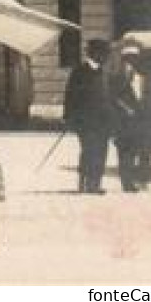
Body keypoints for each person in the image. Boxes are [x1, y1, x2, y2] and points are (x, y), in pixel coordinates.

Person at [63, 39, 113, 194]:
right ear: (95, 53)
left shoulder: (103, 72)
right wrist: (69, 117)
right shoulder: (79, 72)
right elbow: (70, 96)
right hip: (85, 121)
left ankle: (95, 184)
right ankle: (84, 184)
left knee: (102, 151)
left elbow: (106, 96)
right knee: (89, 150)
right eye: (104, 54)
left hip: (103, 121)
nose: (106, 57)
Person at [112, 42, 148, 192]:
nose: (131, 61)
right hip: (123, 121)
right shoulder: (118, 77)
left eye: (134, 58)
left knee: (136, 151)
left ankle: (136, 181)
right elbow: (114, 97)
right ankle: (127, 183)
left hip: (139, 120)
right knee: (124, 152)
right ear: (124, 59)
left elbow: (144, 96)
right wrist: (126, 109)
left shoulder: (141, 77)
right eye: (128, 58)